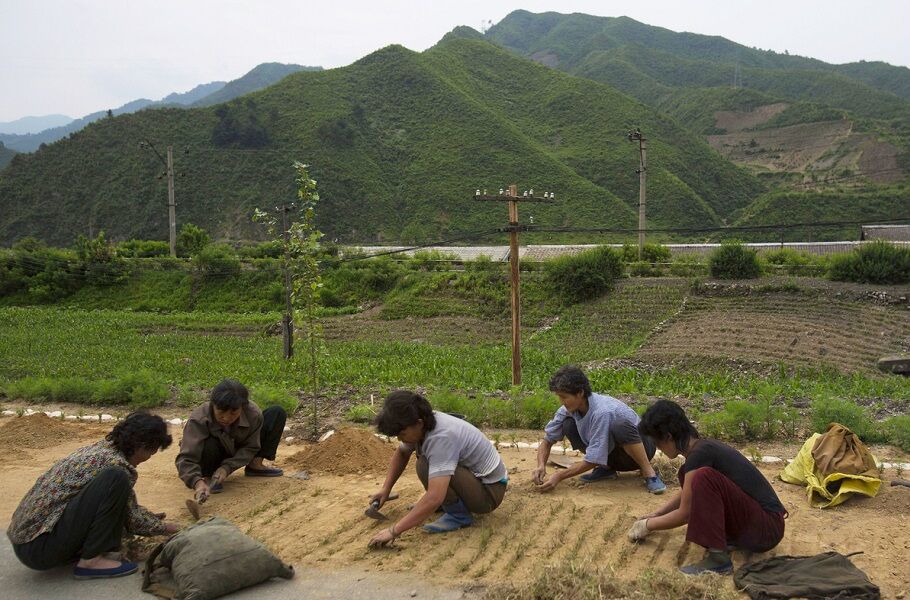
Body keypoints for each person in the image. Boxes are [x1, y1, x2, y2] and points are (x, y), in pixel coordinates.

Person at [7, 412, 177, 579]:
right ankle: (91, 562)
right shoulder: (116, 466)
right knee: (116, 478)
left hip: (26, 543)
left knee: (115, 481)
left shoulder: (102, 450)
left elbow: (122, 507)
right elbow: (132, 519)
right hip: (38, 548)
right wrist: (168, 528)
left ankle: (87, 553)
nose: (148, 458)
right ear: (142, 445)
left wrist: (148, 517)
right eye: (151, 451)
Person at [628, 400, 787, 575]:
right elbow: (687, 493)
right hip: (762, 525)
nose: (659, 448)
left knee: (704, 477)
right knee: (689, 474)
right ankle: (727, 540)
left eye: (657, 443)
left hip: (767, 529)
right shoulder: (701, 450)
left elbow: (685, 513)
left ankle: (718, 560)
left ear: (667, 436)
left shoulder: (700, 455)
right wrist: (658, 513)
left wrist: (648, 525)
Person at [367, 391, 508, 547]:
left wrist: (394, 531)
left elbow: (435, 496)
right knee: (425, 463)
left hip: (489, 494)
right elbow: (402, 453)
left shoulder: (441, 437)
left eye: (402, 434)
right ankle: (451, 504)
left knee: (425, 465)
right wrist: (386, 489)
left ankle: (458, 515)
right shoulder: (425, 423)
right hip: (476, 481)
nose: (400, 439)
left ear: (418, 423)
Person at [532, 365, 665, 494]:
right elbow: (548, 440)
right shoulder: (567, 410)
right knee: (568, 425)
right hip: (615, 455)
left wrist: (559, 476)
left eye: (564, 397)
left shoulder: (602, 412)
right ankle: (606, 469)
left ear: (580, 393)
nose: (561, 401)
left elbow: (593, 458)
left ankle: (649, 473)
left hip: (641, 449)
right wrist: (541, 465)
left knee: (620, 426)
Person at [176, 379, 287, 503]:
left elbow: (250, 447)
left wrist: (227, 468)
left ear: (243, 407)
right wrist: (196, 482)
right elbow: (186, 458)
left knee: (276, 413)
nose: (226, 418)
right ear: (213, 405)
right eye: (221, 412)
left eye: (234, 413)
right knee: (209, 444)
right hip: (213, 453)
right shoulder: (199, 418)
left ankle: (255, 465)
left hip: (236, 450)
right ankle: (207, 476)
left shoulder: (253, 414)